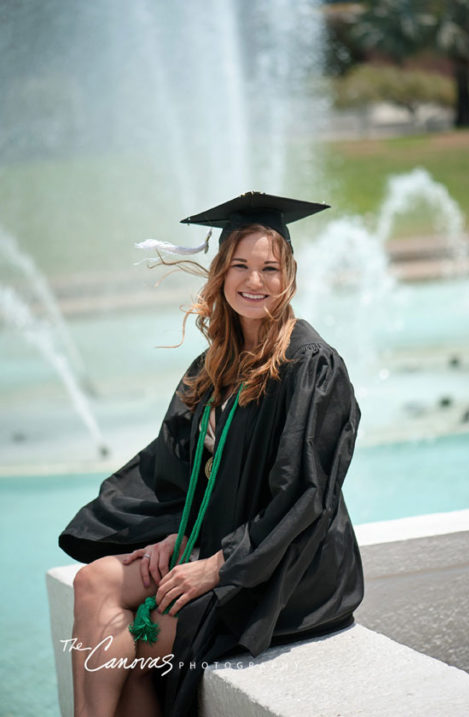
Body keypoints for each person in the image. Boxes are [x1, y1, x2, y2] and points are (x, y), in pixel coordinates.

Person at [59, 192, 363, 717]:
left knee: (131, 643)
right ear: (221, 274)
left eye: (270, 268)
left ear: (288, 275)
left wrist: (218, 566)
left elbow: (304, 496)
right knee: (93, 582)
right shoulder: (214, 365)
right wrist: (173, 533)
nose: (255, 281)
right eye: (240, 265)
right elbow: (174, 468)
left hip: (288, 572)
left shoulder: (310, 365)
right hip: (220, 544)